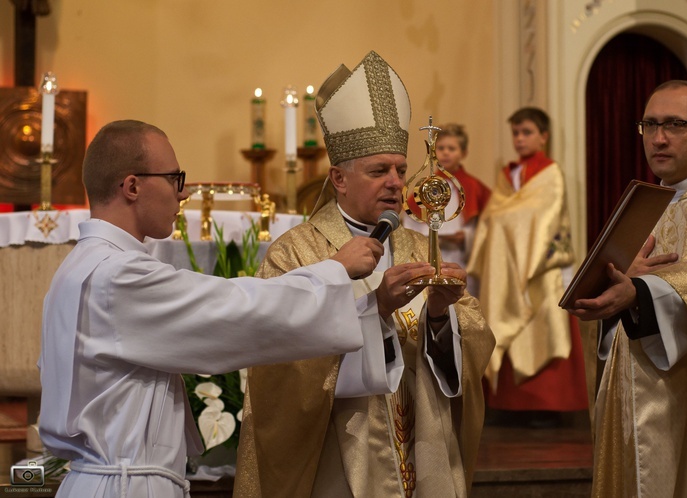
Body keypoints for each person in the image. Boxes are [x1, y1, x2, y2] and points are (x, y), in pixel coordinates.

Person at [38, 119, 386, 498]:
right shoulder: (117, 275)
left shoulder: (80, 267)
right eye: (174, 178)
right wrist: (336, 270)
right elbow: (235, 310)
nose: (183, 193)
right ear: (133, 186)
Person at [234, 51, 495, 497]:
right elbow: (277, 373)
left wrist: (438, 317)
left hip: (425, 454)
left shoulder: (419, 249)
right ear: (338, 178)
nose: (396, 182)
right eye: (379, 171)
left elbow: (474, 346)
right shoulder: (296, 253)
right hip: (339, 464)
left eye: (399, 168)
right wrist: (374, 311)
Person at [567, 80, 687, 497]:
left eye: (675, 124)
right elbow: (611, 282)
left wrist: (640, 291)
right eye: (649, 125)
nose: (659, 138)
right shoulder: (642, 203)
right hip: (629, 392)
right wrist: (605, 291)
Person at [467, 107, 588, 423]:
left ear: (543, 136)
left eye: (527, 133)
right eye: (516, 134)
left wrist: (505, 220)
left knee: (541, 327)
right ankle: (508, 404)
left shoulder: (550, 173)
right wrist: (505, 220)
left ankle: (544, 405)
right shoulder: (507, 176)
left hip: (539, 270)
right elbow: (495, 216)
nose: (519, 139)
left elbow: (545, 218)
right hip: (506, 270)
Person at [401, 123, 491, 296]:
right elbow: (410, 221)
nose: (446, 152)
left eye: (452, 148)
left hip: (461, 257)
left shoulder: (472, 186)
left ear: (463, 153)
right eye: (441, 148)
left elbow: (485, 227)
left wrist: (466, 237)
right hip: (429, 257)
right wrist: (424, 239)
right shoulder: (425, 186)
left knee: (462, 300)